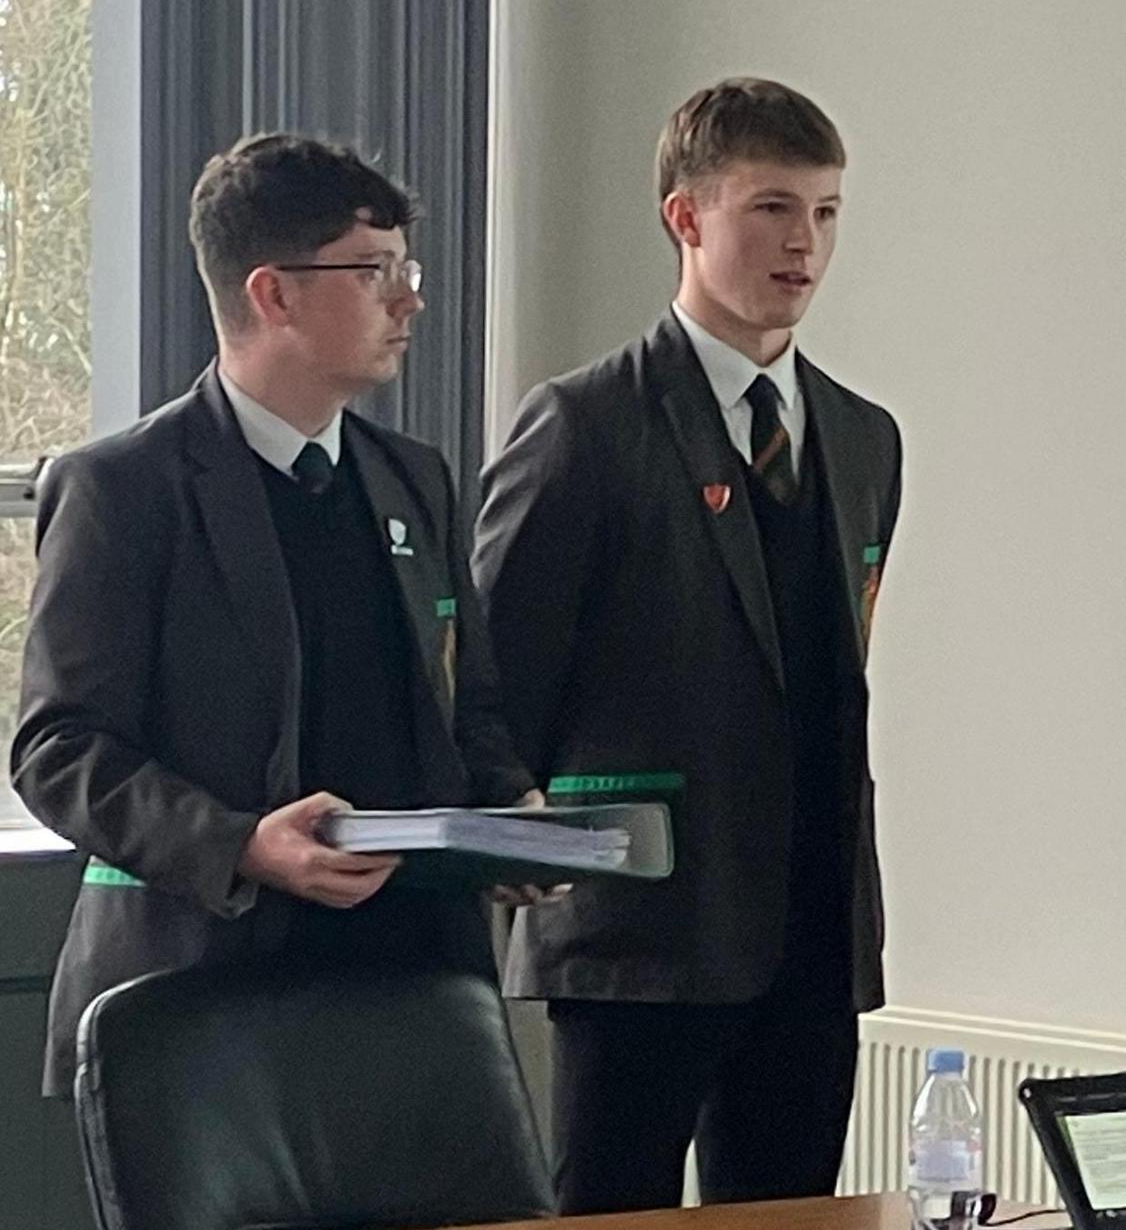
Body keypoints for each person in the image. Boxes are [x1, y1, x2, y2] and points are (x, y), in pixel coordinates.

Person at [11, 133, 539, 1098]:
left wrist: (514, 816)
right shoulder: (123, 489)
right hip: (201, 996)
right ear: (274, 294)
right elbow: (58, 747)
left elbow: (467, 707)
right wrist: (242, 843)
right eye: (375, 271)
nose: (409, 299)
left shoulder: (413, 478)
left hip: (413, 990)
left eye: (405, 268)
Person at [475, 76, 901, 1211]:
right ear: (687, 217)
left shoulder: (863, 439)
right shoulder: (585, 425)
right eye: (770, 208)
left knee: (792, 1213)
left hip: (814, 933)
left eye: (825, 212)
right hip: (642, 939)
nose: (802, 243)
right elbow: (491, 686)